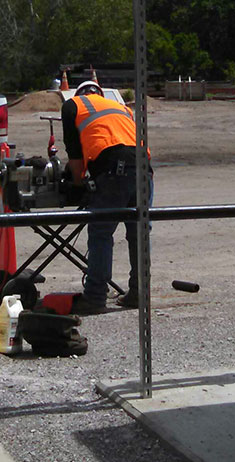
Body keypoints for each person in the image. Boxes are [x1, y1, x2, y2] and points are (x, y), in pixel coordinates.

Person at [61, 81, 153, 315]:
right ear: (100, 94)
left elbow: (75, 156)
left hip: (115, 171)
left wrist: (78, 182)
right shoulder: (122, 108)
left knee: (101, 233)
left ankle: (94, 296)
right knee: (138, 233)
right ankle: (139, 293)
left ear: (79, 94)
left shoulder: (73, 106)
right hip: (144, 170)